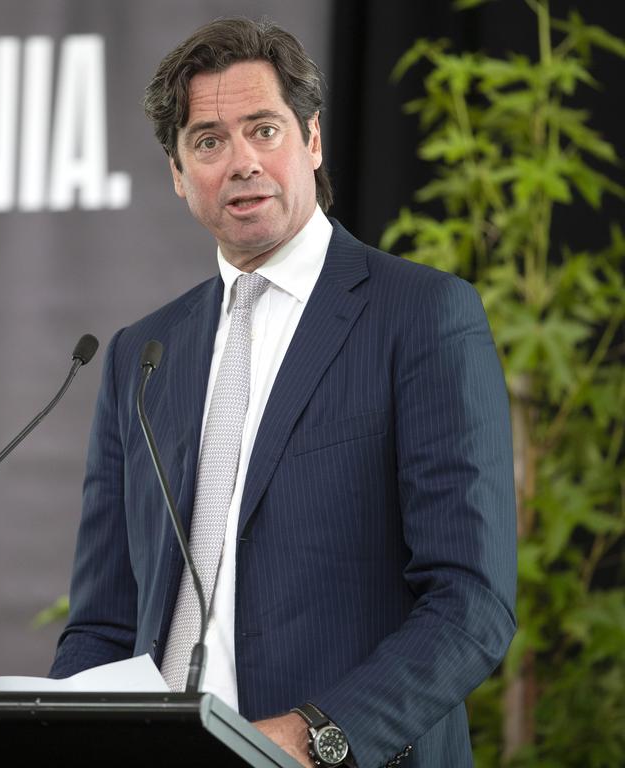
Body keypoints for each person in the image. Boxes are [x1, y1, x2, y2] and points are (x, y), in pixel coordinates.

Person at [50, 17, 516, 768]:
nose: (241, 161)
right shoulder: (143, 355)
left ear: (313, 141)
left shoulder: (421, 316)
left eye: (264, 129)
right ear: (176, 172)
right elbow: (102, 624)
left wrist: (314, 737)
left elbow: (471, 603)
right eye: (207, 141)